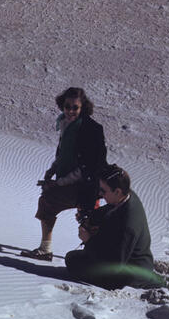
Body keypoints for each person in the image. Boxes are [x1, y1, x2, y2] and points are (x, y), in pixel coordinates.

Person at [21, 87, 107, 261]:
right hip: (73, 182)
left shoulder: (90, 129)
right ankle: (94, 256)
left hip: (86, 185)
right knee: (85, 218)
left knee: (51, 203)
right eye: (67, 106)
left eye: (75, 107)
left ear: (83, 108)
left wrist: (58, 183)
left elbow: (86, 167)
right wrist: (53, 170)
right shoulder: (65, 123)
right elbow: (63, 154)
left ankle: (49, 250)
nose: (70, 110)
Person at [64, 164, 168, 290]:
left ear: (117, 191)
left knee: (73, 261)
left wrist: (89, 241)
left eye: (103, 191)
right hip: (129, 262)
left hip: (131, 272)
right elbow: (110, 209)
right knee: (77, 257)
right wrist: (90, 218)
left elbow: (115, 264)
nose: (100, 194)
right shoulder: (126, 195)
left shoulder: (129, 224)